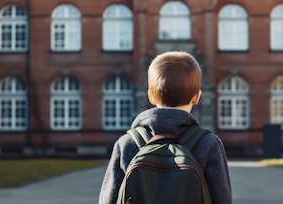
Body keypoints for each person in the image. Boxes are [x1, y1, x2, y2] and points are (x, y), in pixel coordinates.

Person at [99, 51, 232, 204]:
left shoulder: (127, 143)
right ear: (196, 97)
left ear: (151, 96)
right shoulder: (208, 143)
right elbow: (222, 199)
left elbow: (108, 199)